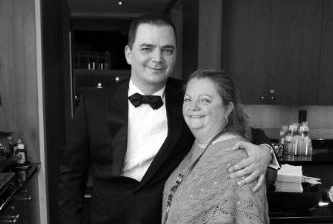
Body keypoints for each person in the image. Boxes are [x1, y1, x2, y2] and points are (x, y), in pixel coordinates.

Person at [57, 14, 274, 224]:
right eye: (147, 48)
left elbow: (239, 128)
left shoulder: (189, 99)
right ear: (128, 53)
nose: (157, 58)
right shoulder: (93, 103)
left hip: (163, 217)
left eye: (167, 50)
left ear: (175, 55)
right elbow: (71, 176)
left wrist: (265, 151)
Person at [162, 69, 269, 224]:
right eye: (188, 99)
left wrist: (266, 151)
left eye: (205, 100)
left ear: (227, 108)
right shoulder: (196, 143)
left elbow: (249, 216)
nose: (193, 107)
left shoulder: (241, 162)